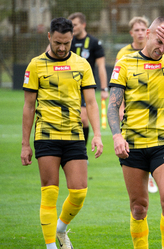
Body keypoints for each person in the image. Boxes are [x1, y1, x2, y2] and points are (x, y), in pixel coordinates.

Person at [107, 16, 164, 249]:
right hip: (132, 145)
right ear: (147, 33)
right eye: (159, 41)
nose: (161, 48)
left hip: (163, 143)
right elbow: (113, 105)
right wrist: (117, 136)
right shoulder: (125, 63)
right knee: (139, 208)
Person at [21, 17, 103, 249]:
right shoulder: (35, 65)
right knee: (50, 190)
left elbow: (91, 102)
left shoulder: (81, 65)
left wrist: (97, 134)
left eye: (66, 43)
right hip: (45, 135)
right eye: (58, 42)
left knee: (79, 192)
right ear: (49, 37)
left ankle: (61, 228)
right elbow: (28, 106)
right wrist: (25, 144)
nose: (62, 47)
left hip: (74, 135)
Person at [115, 16, 158, 194]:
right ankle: (143, 174)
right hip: (132, 108)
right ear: (131, 32)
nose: (140, 33)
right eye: (137, 30)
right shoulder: (123, 54)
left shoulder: (158, 52)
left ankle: (153, 173)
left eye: (143, 29)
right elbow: (119, 84)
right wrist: (121, 107)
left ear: (148, 32)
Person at [68, 12, 108, 151]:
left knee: (83, 119)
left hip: (85, 87)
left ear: (83, 24)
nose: (72, 28)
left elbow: (101, 67)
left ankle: (81, 151)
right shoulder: (66, 41)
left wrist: (104, 89)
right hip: (67, 87)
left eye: (75, 25)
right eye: (70, 25)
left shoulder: (93, 42)